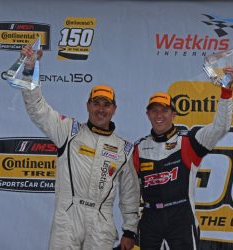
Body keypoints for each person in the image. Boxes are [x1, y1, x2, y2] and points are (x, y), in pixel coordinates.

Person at [20, 45, 140, 250]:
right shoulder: (69, 131)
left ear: (114, 109)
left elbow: (130, 193)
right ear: (88, 105)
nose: (100, 109)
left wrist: (130, 230)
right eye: (96, 103)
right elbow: (37, 108)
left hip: (101, 222)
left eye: (106, 104)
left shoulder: (124, 149)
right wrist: (30, 69)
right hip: (68, 216)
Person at [132, 67, 233, 250]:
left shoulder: (189, 141)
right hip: (150, 218)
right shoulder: (139, 148)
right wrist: (129, 228)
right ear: (148, 115)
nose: (159, 115)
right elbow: (131, 193)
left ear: (173, 114)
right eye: (154, 111)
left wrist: (226, 90)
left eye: (164, 110)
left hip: (181, 216)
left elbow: (220, 127)